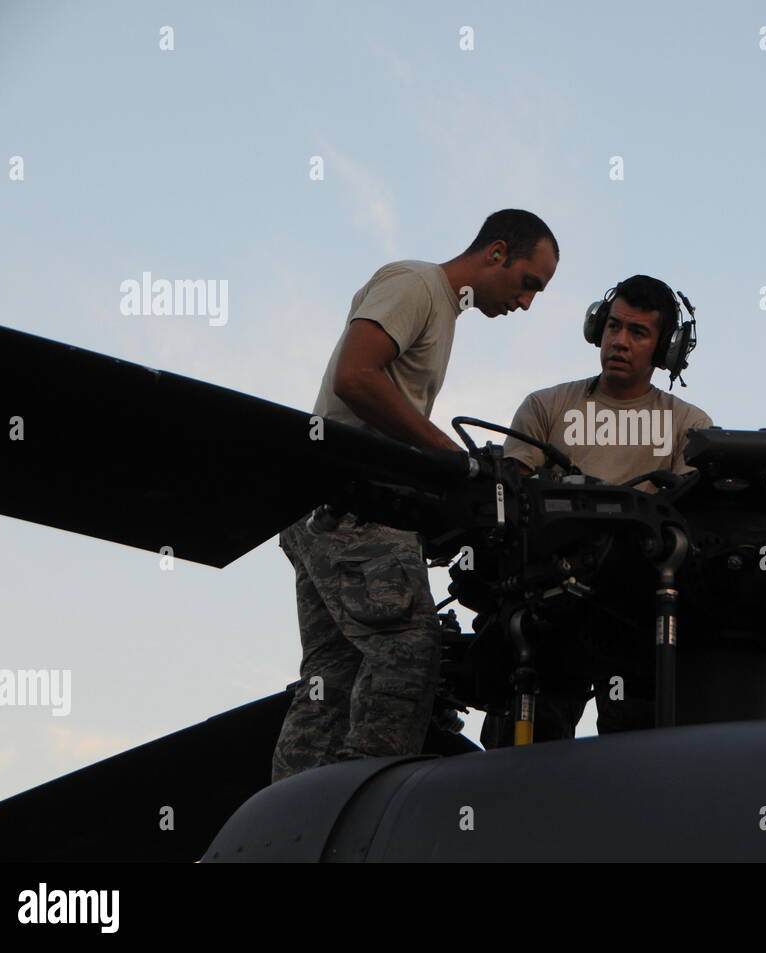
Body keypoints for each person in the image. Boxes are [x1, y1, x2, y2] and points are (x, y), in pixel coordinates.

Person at [271, 209, 559, 783]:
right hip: (356, 508)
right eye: (530, 283)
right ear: (497, 252)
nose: (527, 303)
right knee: (408, 654)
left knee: (335, 671)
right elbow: (356, 375)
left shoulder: (440, 307)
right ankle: (368, 803)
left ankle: (295, 809)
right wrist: (454, 460)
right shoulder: (416, 283)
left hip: (321, 508)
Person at [481, 274, 712, 747]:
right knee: (522, 751)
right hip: (547, 604)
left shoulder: (689, 424)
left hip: (638, 612)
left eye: (638, 332)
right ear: (597, 330)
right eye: (613, 327)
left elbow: (695, 516)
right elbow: (507, 496)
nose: (619, 341)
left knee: (640, 749)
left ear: (665, 349)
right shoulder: (545, 407)